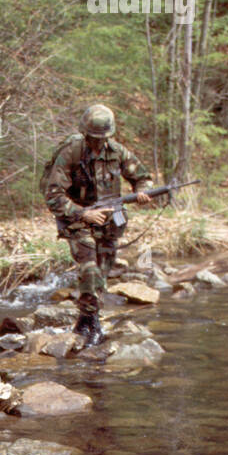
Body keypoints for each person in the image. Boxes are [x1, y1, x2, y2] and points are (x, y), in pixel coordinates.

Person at [43, 104, 153, 345]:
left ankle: (87, 316)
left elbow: (142, 177)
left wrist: (142, 192)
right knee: (90, 267)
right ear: (85, 133)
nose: (98, 143)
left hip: (109, 222)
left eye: (102, 138)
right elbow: (53, 195)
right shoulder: (71, 153)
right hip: (78, 220)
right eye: (93, 138)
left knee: (102, 271)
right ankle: (91, 323)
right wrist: (83, 214)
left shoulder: (117, 151)